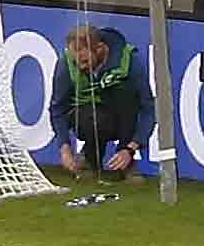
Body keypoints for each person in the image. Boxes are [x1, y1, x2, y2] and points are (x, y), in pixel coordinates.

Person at [46, 21, 150, 194]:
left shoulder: (128, 59)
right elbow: (57, 109)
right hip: (85, 115)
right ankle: (89, 160)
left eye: (85, 61)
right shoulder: (66, 64)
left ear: (100, 49)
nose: (80, 66)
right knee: (92, 118)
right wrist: (64, 147)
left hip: (120, 115)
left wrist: (132, 146)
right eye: (76, 60)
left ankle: (126, 162)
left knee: (126, 94)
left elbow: (148, 107)